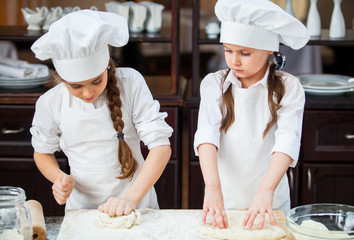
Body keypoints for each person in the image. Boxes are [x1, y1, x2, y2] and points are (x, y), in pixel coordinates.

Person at [30, 10, 173, 216]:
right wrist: (58, 178)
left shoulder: (130, 83)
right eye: (76, 86)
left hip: (137, 205)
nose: (88, 92)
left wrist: (130, 199)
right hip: (82, 211)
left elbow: (161, 148)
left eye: (96, 81)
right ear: (61, 78)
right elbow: (42, 152)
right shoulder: (50, 102)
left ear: (107, 65)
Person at [194, 0, 309, 229]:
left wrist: (266, 191)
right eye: (228, 50)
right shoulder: (214, 84)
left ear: (269, 49)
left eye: (244, 53)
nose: (234, 60)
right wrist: (213, 188)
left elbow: (287, 141)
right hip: (222, 198)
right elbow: (206, 136)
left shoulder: (289, 88)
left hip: (270, 198)